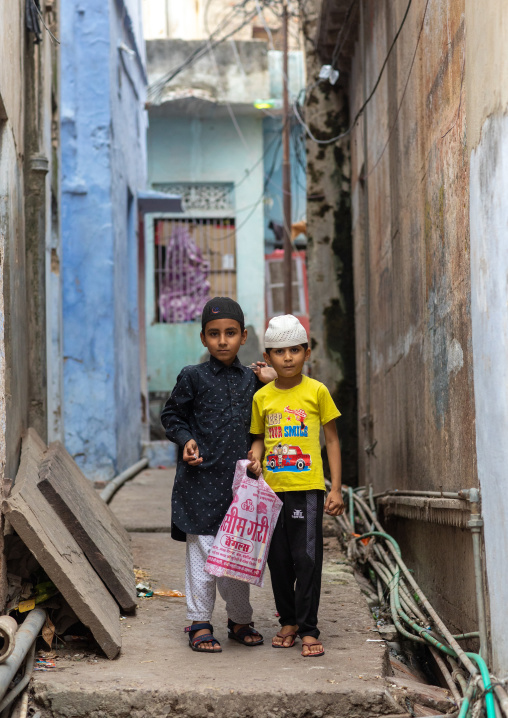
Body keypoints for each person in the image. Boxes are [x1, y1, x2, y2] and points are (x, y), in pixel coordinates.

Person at [161, 297, 275, 654]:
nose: (222, 340)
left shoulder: (252, 380)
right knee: (203, 557)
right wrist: (186, 439)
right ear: (203, 338)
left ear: (243, 337)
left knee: (236, 556)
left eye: (230, 333)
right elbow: (171, 416)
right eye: (214, 334)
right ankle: (199, 621)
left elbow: (267, 423)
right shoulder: (192, 377)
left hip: (239, 488)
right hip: (198, 485)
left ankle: (239, 619)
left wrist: (270, 381)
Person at [249, 314, 345, 658]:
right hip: (271, 492)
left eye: (294, 350)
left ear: (306, 352)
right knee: (278, 560)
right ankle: (287, 621)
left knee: (306, 559)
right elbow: (258, 438)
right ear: (268, 356)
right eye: (279, 351)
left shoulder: (316, 391)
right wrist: (255, 457)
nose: (287, 357)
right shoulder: (263, 397)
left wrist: (335, 488)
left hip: (307, 489)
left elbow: (332, 441)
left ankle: (308, 628)